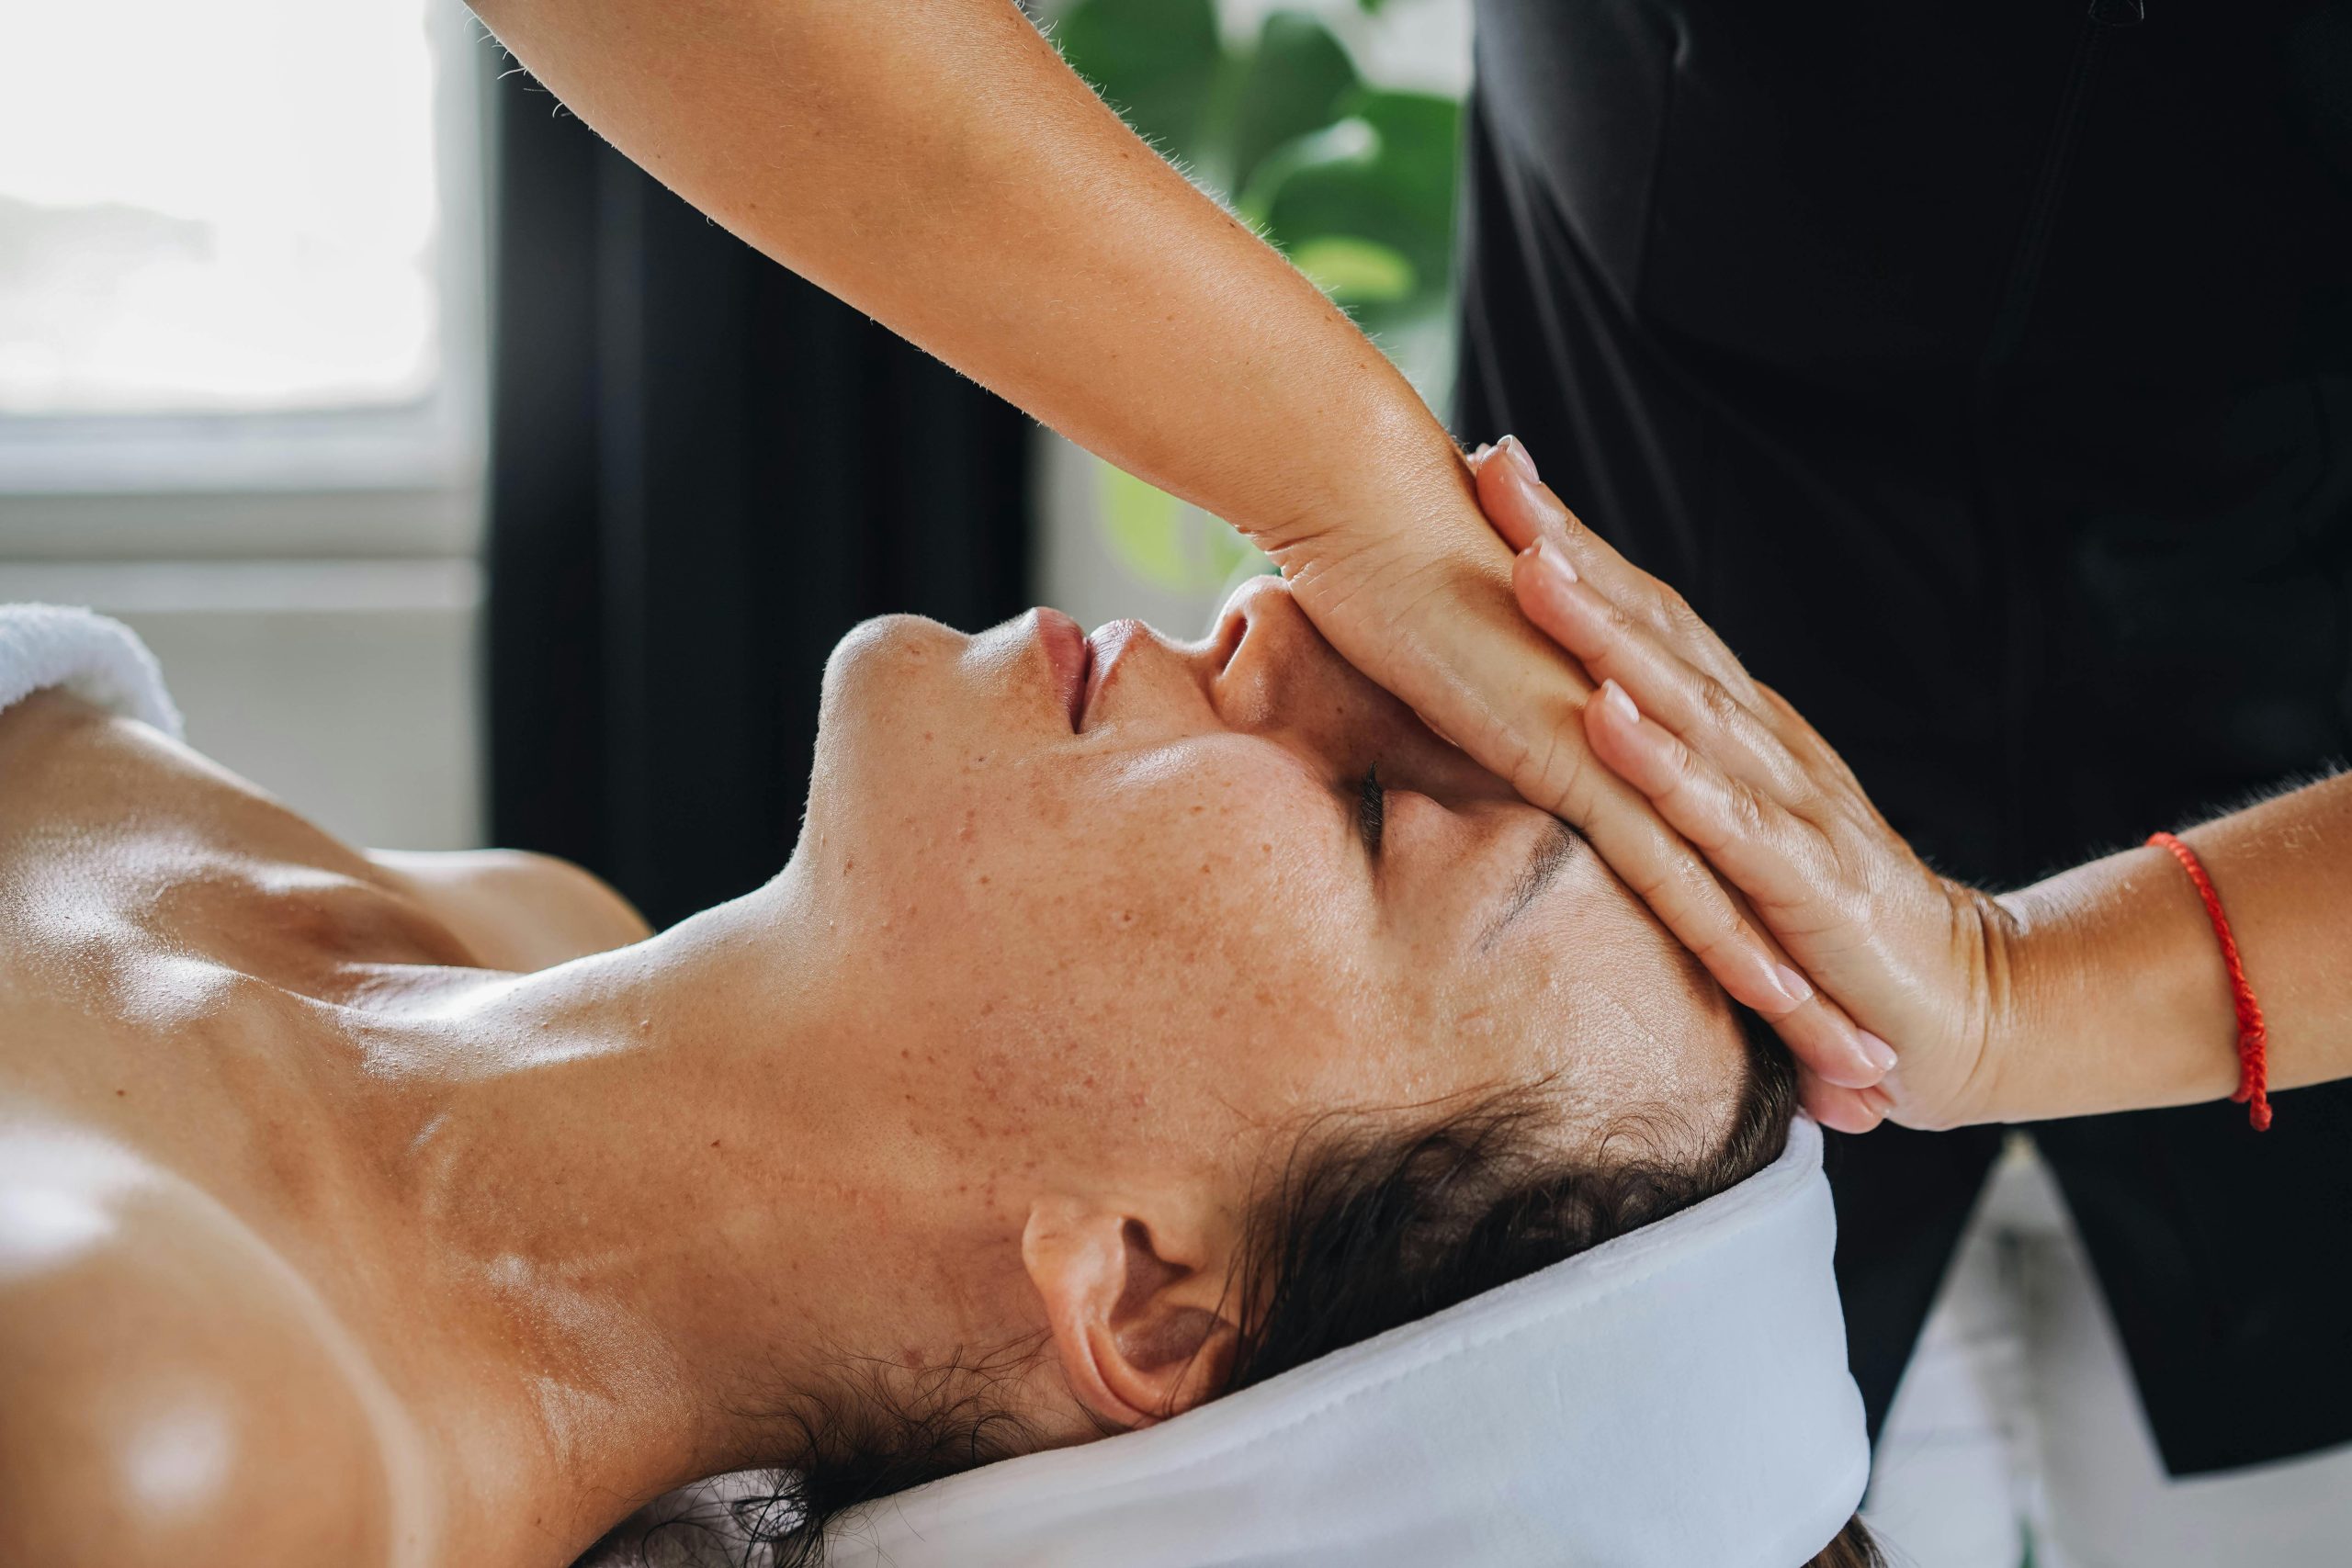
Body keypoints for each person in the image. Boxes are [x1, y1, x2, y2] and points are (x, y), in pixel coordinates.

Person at [0, 592, 1880, 1567]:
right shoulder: (508, 926)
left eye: (1378, 806)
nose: (1284, 632)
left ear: (1140, 1294)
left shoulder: (170, 1441)